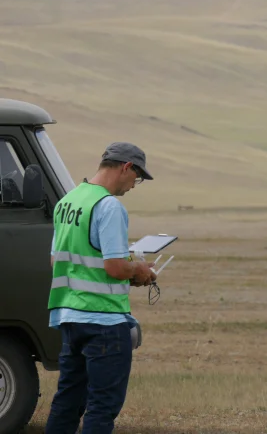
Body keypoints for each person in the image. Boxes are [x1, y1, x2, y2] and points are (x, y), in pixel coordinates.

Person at [45, 142, 156, 434]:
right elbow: (115, 268)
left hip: (69, 317)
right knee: (102, 406)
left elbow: (56, 261)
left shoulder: (67, 201)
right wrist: (139, 270)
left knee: (67, 400)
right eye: (138, 177)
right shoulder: (108, 206)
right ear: (126, 167)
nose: (134, 185)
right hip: (104, 321)